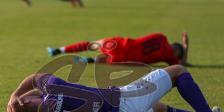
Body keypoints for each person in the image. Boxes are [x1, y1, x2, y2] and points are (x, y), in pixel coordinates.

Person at [7, 65, 224, 112]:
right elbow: (36, 79)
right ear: (25, 101)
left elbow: (39, 95)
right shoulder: (54, 90)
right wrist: (13, 96)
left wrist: (19, 107)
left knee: (158, 107)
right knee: (177, 71)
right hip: (123, 102)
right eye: (23, 99)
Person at [47, 33, 189, 65]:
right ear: (177, 51)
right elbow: (181, 65)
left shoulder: (161, 36)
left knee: (91, 44)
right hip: (125, 58)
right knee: (106, 60)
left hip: (119, 43)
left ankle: (58, 50)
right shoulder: (169, 55)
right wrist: (186, 47)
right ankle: (87, 60)